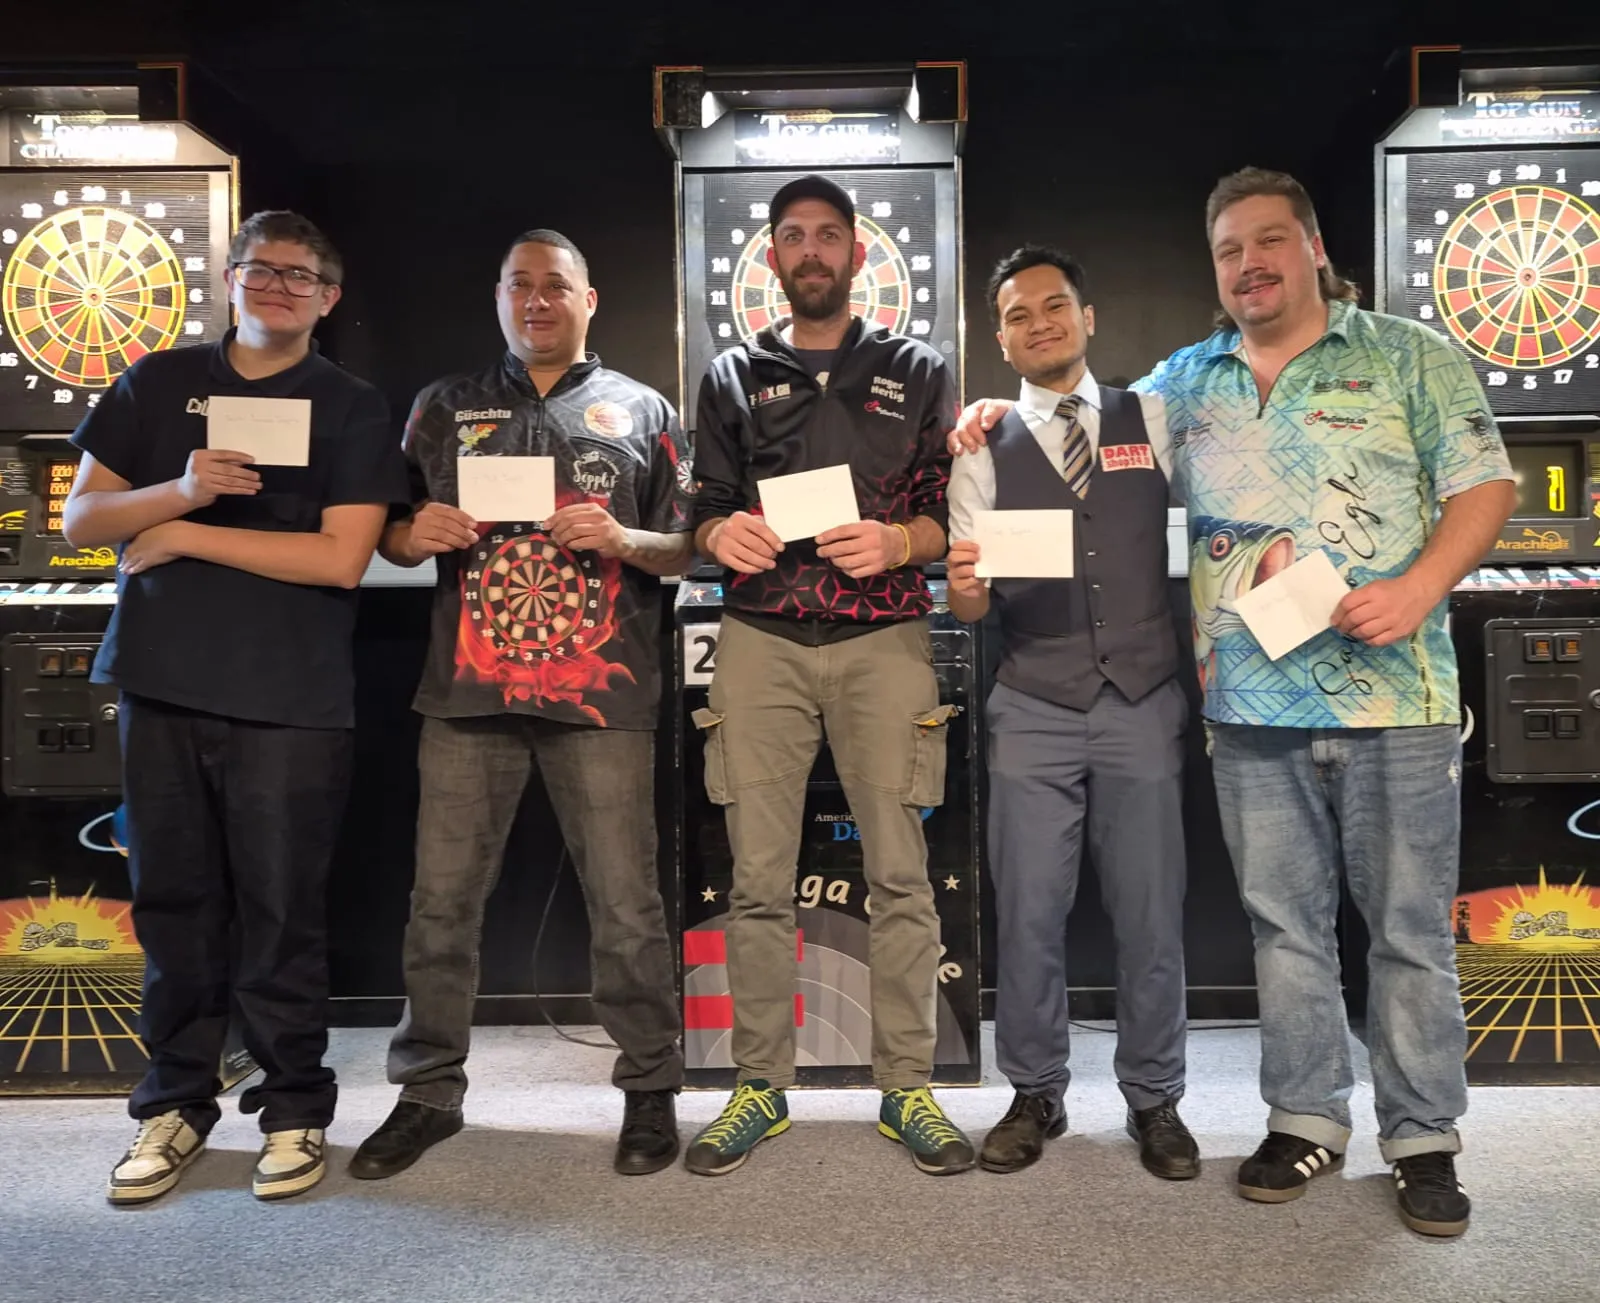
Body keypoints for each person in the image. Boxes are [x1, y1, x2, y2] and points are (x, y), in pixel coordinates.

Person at [948, 168, 1514, 1237]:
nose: (1249, 265)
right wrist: (996, 412)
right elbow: (1060, 424)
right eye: (1228, 251)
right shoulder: (1187, 381)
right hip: (1250, 703)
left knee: (1404, 932)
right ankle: (1304, 1118)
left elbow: (1487, 485)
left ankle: (1421, 1138)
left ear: (1312, 246)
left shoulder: (1406, 355)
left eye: (1269, 241)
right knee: (1283, 930)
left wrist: (1418, 588)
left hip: (1393, 693)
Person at [64, 210, 409, 1204]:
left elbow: (340, 559)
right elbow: (84, 517)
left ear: (328, 299)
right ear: (229, 278)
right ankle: (173, 1103)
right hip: (161, 682)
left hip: (291, 695)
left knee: (283, 911)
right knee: (172, 907)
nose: (278, 287)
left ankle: (294, 1107)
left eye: (301, 277)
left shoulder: (349, 404)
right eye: (262, 269)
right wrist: (181, 487)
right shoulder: (155, 380)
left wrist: (186, 533)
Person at [349, 229, 692, 1180]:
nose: (536, 301)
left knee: (626, 905)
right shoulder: (441, 406)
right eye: (519, 286)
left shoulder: (643, 409)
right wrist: (413, 533)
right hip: (467, 694)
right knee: (440, 905)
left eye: (555, 286)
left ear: (590, 298)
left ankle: (650, 1084)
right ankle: (427, 1090)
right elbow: (387, 532)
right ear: (499, 298)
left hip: (604, 695)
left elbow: (690, 545)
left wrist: (624, 537)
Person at [685, 173, 971, 1177]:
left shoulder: (916, 369)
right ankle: (759, 1084)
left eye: (828, 234)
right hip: (760, 638)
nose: (811, 250)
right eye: (793, 235)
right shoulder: (731, 373)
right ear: (771, 256)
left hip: (883, 638)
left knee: (900, 873)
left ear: (856, 252)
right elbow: (701, 509)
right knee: (757, 879)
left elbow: (949, 515)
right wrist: (719, 533)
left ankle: (907, 1086)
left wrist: (898, 541)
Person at [944, 246, 1196, 1180]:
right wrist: (966, 585)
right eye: (1019, 314)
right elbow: (970, 603)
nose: (1039, 323)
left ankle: (1156, 1097)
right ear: (1001, 336)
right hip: (1032, 704)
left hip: (1142, 700)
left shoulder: (1154, 417)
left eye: (1055, 306)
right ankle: (1034, 1091)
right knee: (1029, 913)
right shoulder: (982, 444)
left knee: (1151, 913)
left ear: (1087, 318)